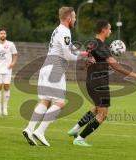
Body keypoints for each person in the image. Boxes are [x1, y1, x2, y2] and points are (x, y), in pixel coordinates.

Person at [68, 20, 136, 147]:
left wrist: (104, 64)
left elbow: (89, 61)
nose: (110, 31)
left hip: (92, 81)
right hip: (99, 83)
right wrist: (135, 75)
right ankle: (80, 138)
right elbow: (115, 65)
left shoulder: (91, 43)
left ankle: (75, 129)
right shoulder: (100, 46)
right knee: (103, 114)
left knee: (96, 109)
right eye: (109, 29)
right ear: (103, 30)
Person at [22, 6, 89, 147]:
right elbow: (68, 55)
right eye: (75, 17)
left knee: (45, 101)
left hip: (46, 67)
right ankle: (40, 131)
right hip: (56, 69)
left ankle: (29, 129)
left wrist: (84, 54)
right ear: (69, 18)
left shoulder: (57, 29)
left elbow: (70, 47)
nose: (76, 19)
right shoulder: (65, 31)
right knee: (60, 103)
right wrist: (82, 58)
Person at [0, 28, 18, 117]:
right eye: (1, 33)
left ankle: (5, 108)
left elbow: (15, 55)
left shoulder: (11, 44)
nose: (3, 35)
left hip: (8, 69)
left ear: (6, 35)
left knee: (6, 87)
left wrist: (13, 63)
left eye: (4, 33)